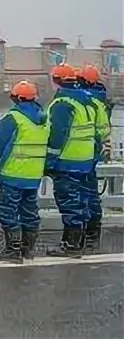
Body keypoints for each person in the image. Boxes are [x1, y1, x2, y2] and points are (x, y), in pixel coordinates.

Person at [0, 81, 48, 262]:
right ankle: (28, 249)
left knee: (7, 210)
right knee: (30, 211)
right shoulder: (44, 120)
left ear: (16, 98)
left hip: (13, 174)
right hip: (34, 175)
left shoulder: (12, 119)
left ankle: (13, 249)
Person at [45, 63, 97, 257]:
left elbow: (58, 136)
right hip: (85, 161)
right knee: (81, 202)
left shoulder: (62, 104)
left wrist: (49, 161)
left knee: (69, 203)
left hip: (67, 162)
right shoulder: (86, 101)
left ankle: (71, 245)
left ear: (56, 81)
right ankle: (79, 242)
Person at [77, 64, 111, 251]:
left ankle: (83, 235)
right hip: (92, 154)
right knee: (90, 195)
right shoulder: (101, 101)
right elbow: (104, 131)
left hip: (83, 154)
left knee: (82, 196)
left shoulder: (89, 102)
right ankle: (92, 235)